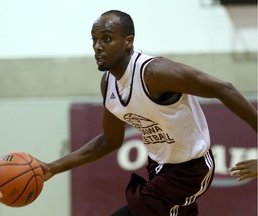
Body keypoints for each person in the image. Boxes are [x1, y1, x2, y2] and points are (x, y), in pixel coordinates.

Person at [38, 10, 257, 216]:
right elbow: (109, 140)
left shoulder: (154, 73)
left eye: (106, 39)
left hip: (190, 170)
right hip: (158, 167)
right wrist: (52, 167)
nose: (97, 47)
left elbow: (224, 88)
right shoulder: (109, 84)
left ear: (128, 41)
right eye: (94, 40)